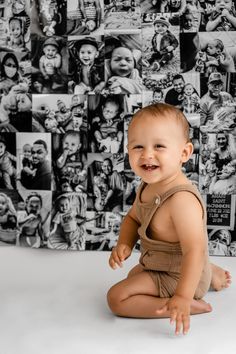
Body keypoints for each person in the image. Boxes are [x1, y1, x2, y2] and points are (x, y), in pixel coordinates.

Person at [107, 103, 231, 335]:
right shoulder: (148, 185)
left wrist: (183, 296)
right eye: (138, 147)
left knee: (117, 298)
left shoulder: (181, 200)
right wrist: (124, 242)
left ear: (184, 153)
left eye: (159, 146)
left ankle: (184, 303)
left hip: (180, 276)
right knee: (134, 275)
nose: (147, 155)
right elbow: (133, 218)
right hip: (162, 263)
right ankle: (207, 272)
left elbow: (194, 250)